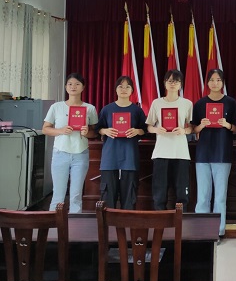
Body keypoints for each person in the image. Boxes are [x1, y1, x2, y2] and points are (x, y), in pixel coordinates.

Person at [191, 69, 236, 239]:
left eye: (218, 80)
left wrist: (227, 125)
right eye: (211, 80)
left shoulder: (231, 103)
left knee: (219, 197)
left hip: (222, 154)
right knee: (203, 196)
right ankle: (201, 231)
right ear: (207, 83)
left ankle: (218, 231)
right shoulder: (200, 104)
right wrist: (201, 126)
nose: (215, 83)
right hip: (203, 155)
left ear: (223, 82)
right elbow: (193, 129)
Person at [43, 72, 98, 214]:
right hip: (60, 153)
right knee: (58, 194)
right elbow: (45, 129)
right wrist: (60, 130)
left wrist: (87, 132)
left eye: (77, 84)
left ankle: (75, 224)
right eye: (70, 84)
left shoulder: (90, 108)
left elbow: (95, 133)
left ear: (83, 87)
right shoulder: (56, 107)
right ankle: (53, 223)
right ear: (66, 87)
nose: (73, 87)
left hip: (80, 154)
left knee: (76, 195)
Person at [95, 76, 147, 209]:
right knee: (108, 197)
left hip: (130, 157)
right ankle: (108, 221)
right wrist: (105, 131)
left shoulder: (137, 110)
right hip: (110, 158)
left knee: (129, 197)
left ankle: (127, 220)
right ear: (115, 89)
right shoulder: (107, 109)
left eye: (127, 87)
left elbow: (146, 130)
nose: (124, 89)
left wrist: (137, 131)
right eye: (120, 86)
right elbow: (97, 129)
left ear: (132, 90)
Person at [146, 69, 193, 210]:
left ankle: (181, 219)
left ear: (181, 84)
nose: (173, 84)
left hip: (181, 153)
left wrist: (184, 131)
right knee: (160, 192)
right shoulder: (156, 103)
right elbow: (149, 126)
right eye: (170, 81)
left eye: (176, 81)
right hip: (161, 152)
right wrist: (156, 129)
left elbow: (191, 127)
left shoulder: (187, 103)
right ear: (165, 83)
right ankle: (160, 219)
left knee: (181, 192)